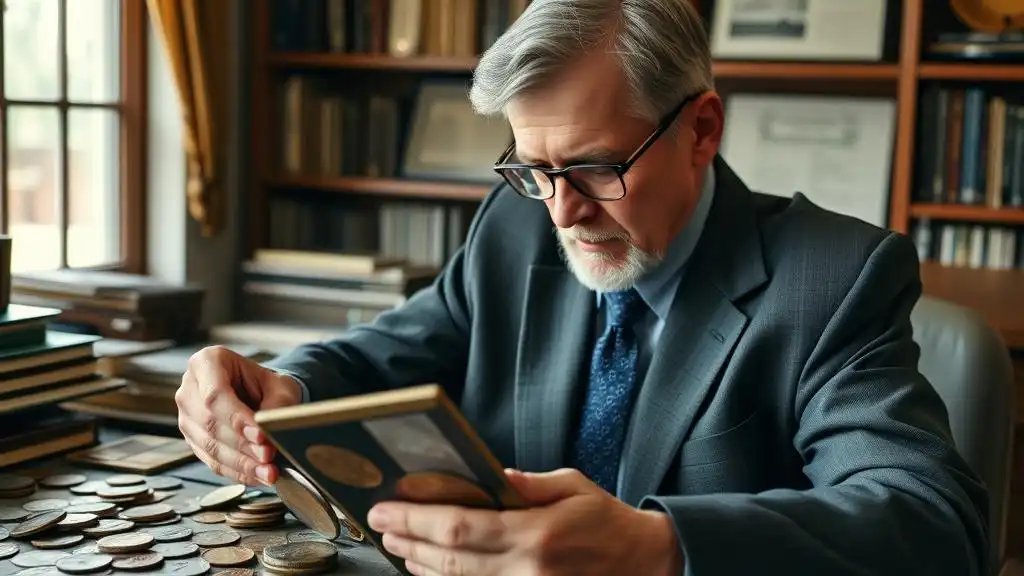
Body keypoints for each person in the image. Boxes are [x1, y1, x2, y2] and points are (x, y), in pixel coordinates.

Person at [176, 1, 989, 574]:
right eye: (534, 168)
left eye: (597, 167)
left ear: (701, 129)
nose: (562, 211)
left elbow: (934, 525)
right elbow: (382, 352)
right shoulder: (515, 224)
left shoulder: (835, 280)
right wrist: (280, 382)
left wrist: (660, 548)